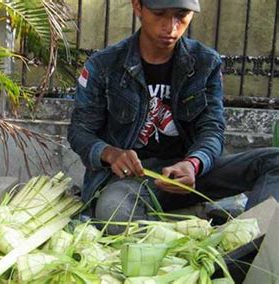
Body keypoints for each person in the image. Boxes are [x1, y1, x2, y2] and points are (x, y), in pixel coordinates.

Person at [68, 0, 279, 233]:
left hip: (190, 175)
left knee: (274, 161)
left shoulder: (205, 63)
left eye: (181, 15)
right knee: (113, 210)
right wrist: (110, 153)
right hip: (134, 181)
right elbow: (80, 131)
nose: (171, 27)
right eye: (159, 14)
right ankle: (184, 241)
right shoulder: (104, 65)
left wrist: (193, 163)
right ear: (138, 7)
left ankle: (249, 245)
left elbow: (212, 129)